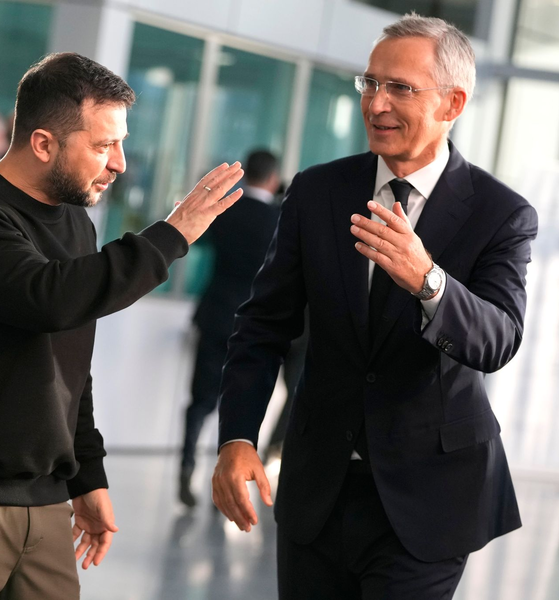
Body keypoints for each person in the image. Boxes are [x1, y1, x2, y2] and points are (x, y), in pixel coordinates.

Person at [0, 52, 243, 600]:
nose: (119, 163)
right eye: (102, 146)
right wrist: (172, 235)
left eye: (119, 143)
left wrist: (86, 475)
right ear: (43, 143)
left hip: (44, 504)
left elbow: (70, 363)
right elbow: (48, 300)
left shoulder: (75, 221)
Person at [212, 13, 538, 600]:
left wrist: (429, 281)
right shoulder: (317, 191)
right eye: (370, 84)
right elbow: (262, 326)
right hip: (318, 489)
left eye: (400, 88)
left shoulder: (501, 213)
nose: (377, 103)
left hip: (429, 502)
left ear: (452, 102)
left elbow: (498, 339)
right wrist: (237, 437)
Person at [178, 150, 281, 508]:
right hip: (254, 324)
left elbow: (197, 241)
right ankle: (230, 482)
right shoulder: (278, 219)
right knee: (239, 403)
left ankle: (186, 466)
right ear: (273, 177)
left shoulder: (226, 211)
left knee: (200, 399)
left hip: (216, 314)